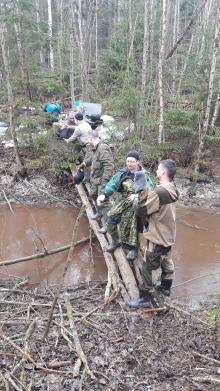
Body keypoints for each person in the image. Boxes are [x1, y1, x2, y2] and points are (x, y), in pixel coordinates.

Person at [128, 159, 179, 308]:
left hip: (157, 236)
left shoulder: (159, 192)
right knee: (167, 261)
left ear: (163, 172)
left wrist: (140, 191)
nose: (156, 171)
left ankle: (144, 298)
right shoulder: (172, 188)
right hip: (168, 234)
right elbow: (158, 203)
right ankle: (165, 287)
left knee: (148, 268)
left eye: (158, 168)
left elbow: (141, 210)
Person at [97, 151, 154, 261]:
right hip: (122, 202)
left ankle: (133, 249)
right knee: (110, 219)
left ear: (138, 162)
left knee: (133, 227)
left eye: (132, 161)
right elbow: (111, 185)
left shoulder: (143, 175)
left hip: (136, 205)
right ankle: (115, 240)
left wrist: (137, 196)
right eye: (127, 161)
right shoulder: (122, 173)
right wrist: (103, 195)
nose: (129, 164)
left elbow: (150, 191)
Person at [78, 130, 114, 233]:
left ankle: (107, 224)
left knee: (104, 202)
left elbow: (109, 166)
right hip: (95, 179)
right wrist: (84, 164)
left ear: (91, 138)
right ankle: (99, 213)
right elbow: (93, 160)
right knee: (93, 194)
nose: (87, 142)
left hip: (102, 180)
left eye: (87, 139)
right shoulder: (95, 147)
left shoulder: (102, 148)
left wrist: (105, 182)